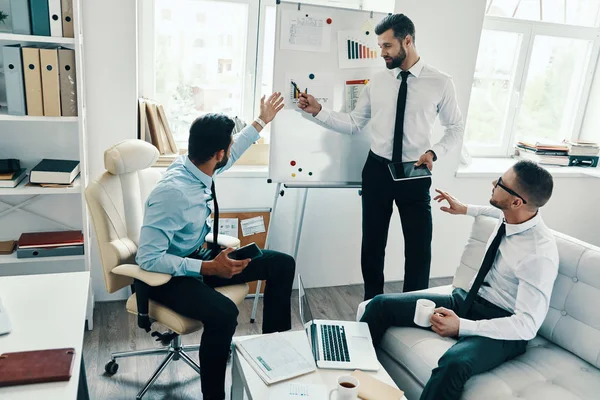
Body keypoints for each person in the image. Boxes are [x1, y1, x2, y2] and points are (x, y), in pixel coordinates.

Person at [136, 93, 295, 400]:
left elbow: (233, 154)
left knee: (281, 263)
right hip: (169, 277)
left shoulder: (199, 166)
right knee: (223, 314)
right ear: (218, 153)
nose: (230, 153)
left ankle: (274, 357)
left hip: (200, 256)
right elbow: (148, 258)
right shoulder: (173, 193)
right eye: (228, 147)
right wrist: (208, 267)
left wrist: (262, 120)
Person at [297, 13, 464, 300]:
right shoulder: (377, 82)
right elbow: (354, 123)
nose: (382, 52)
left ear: (407, 41)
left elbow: (456, 127)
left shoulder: (441, 82)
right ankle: (373, 305)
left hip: (414, 171)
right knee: (372, 246)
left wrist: (435, 152)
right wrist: (319, 112)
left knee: (419, 247)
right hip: (376, 170)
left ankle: (413, 308)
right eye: (379, 45)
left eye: (387, 46)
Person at [360, 160, 559, 400]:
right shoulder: (512, 215)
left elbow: (526, 325)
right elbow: (493, 210)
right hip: (468, 301)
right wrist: (465, 208)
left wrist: (462, 326)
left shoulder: (538, 254)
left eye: (501, 183)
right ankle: (353, 379)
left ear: (517, 201)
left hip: (504, 327)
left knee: (454, 362)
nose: (493, 183)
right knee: (379, 305)